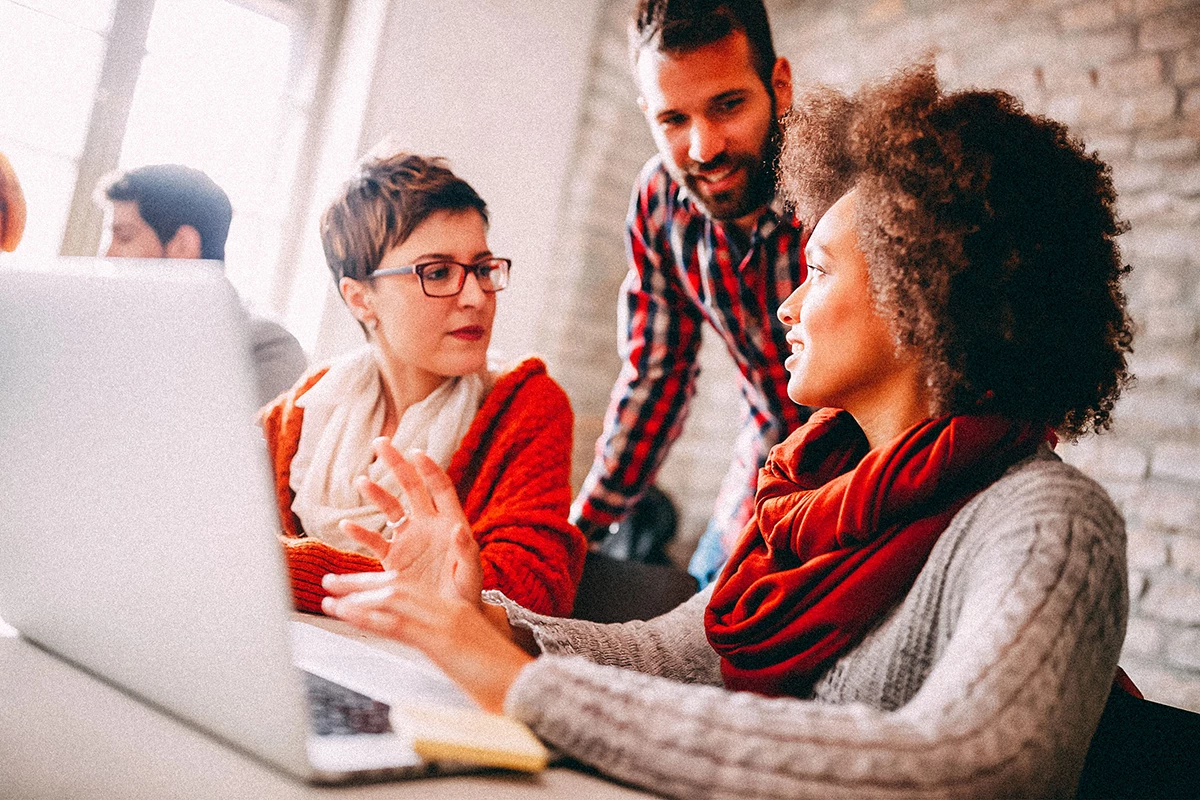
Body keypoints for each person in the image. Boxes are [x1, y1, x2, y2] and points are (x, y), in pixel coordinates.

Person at [319, 65, 1136, 798]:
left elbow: (967, 768)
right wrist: (485, 620)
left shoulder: (1048, 522)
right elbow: (676, 654)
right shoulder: (812, 494)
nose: (785, 306)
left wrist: (522, 685)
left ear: (921, 293)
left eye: (816, 272)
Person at [259, 152, 587, 618]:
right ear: (360, 298)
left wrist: (282, 569)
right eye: (437, 273)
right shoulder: (303, 411)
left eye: (482, 268)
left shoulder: (525, 407)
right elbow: (212, 533)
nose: (476, 297)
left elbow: (534, 595)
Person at [571, 0, 808, 587]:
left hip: (877, 454)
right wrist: (578, 535)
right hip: (771, 445)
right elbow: (656, 376)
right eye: (674, 120)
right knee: (706, 597)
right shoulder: (658, 200)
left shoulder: (843, 180)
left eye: (727, 106)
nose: (703, 149)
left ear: (779, 85)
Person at [98, 164, 308, 407]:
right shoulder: (115, 330)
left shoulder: (266, 350)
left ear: (183, 246)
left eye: (124, 237)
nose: (108, 254)